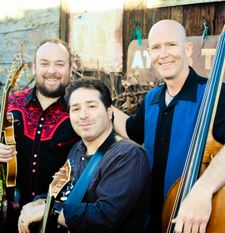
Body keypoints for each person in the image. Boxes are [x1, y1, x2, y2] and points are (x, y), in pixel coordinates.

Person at [112, 19, 225, 233]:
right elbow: (133, 130)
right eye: (156, 48)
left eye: (171, 45)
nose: (163, 54)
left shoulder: (214, 94)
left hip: (194, 222)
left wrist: (202, 190)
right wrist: (102, 107)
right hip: (150, 222)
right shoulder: (152, 98)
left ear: (187, 49)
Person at [17, 78, 150, 233]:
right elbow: (64, 196)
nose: (83, 115)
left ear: (109, 112)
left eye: (92, 106)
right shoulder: (77, 149)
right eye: (75, 109)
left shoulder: (127, 155)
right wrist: (39, 202)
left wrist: (50, 210)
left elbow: (104, 218)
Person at [0, 38, 80, 233]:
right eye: (44, 63)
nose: (51, 70)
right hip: (11, 215)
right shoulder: (13, 101)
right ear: (34, 68)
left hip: (56, 219)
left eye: (59, 64)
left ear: (70, 68)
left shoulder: (78, 108)